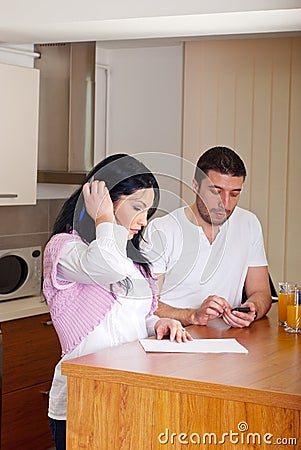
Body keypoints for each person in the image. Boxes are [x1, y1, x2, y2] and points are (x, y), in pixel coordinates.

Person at [43, 153, 192, 450]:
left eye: (148, 211)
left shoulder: (131, 257)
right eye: (137, 207)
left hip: (130, 391)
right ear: (105, 200)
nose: (143, 220)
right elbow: (106, 266)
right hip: (83, 398)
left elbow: (134, 317)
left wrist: (158, 322)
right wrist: (103, 218)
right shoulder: (65, 249)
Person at [142, 146, 272, 329]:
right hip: (173, 338)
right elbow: (145, 304)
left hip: (227, 340)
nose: (225, 204)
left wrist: (253, 309)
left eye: (234, 194)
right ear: (195, 185)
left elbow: (261, 292)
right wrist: (193, 316)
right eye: (216, 191)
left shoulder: (249, 224)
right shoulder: (162, 230)